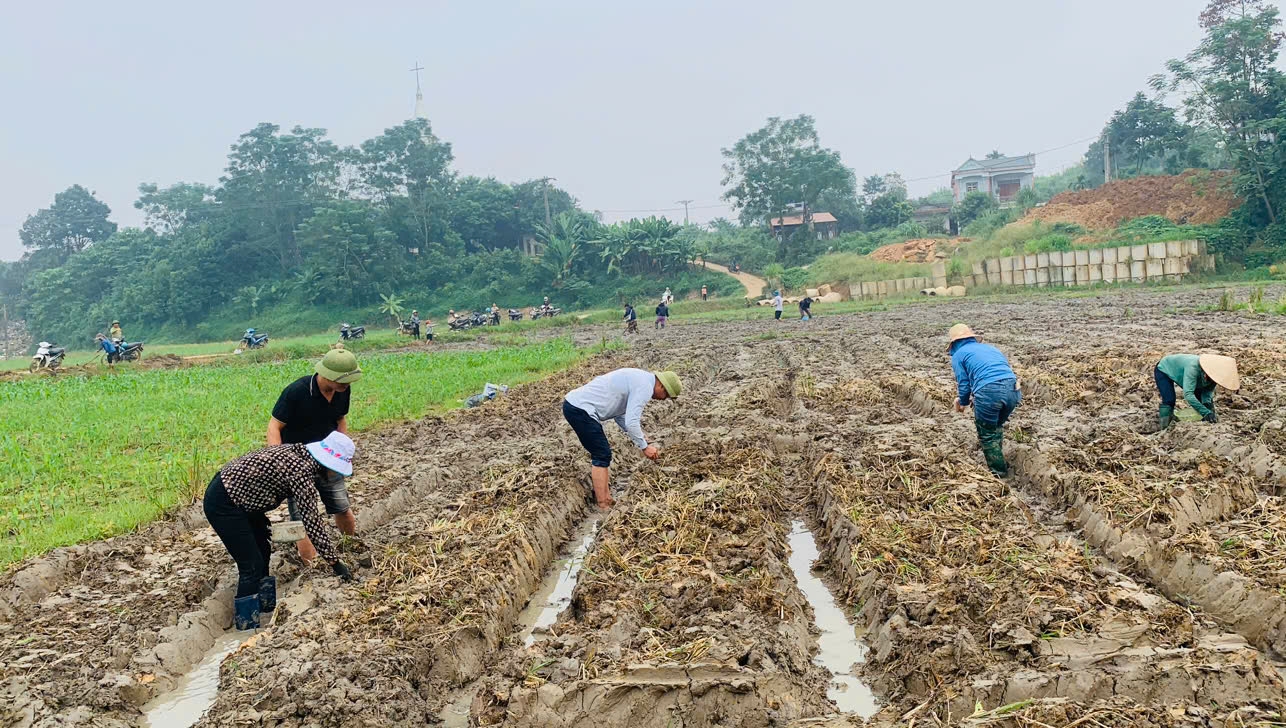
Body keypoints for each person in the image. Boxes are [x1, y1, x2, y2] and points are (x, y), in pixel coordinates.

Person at [205, 431, 356, 630]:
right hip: (224, 504)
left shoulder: (301, 453)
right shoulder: (302, 472)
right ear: (327, 465)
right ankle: (246, 626)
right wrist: (335, 563)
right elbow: (312, 523)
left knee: (263, 550)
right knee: (250, 564)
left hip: (242, 500)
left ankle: (265, 609)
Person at [267, 349, 362, 563]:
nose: (346, 385)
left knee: (342, 507)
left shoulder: (342, 390)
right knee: (303, 517)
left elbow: (340, 418)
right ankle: (312, 566)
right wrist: (279, 460)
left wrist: (341, 448)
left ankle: (351, 547)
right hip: (297, 462)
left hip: (328, 458)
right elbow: (274, 426)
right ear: (327, 374)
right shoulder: (297, 392)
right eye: (342, 380)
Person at [562, 369, 681, 509]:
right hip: (580, 408)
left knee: (603, 454)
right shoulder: (645, 387)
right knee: (601, 454)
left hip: (577, 406)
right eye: (666, 395)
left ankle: (606, 498)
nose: (663, 399)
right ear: (661, 386)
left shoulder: (641, 378)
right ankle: (603, 504)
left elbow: (620, 415)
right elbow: (632, 422)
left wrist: (641, 437)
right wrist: (644, 447)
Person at [948, 324, 1022, 477]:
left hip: (989, 392)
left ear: (954, 343)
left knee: (986, 434)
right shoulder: (991, 348)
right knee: (995, 426)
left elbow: (964, 383)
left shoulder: (959, 355)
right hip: (1013, 390)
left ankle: (1000, 475)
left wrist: (963, 402)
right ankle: (998, 457)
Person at [1155, 353, 1239, 430]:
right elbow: (1188, 394)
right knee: (1169, 399)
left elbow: (1207, 392)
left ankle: (1205, 422)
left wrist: (1207, 406)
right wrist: (1206, 412)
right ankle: (1165, 428)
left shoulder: (1215, 376)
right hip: (1164, 368)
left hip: (1183, 372)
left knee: (1202, 401)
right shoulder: (1193, 368)